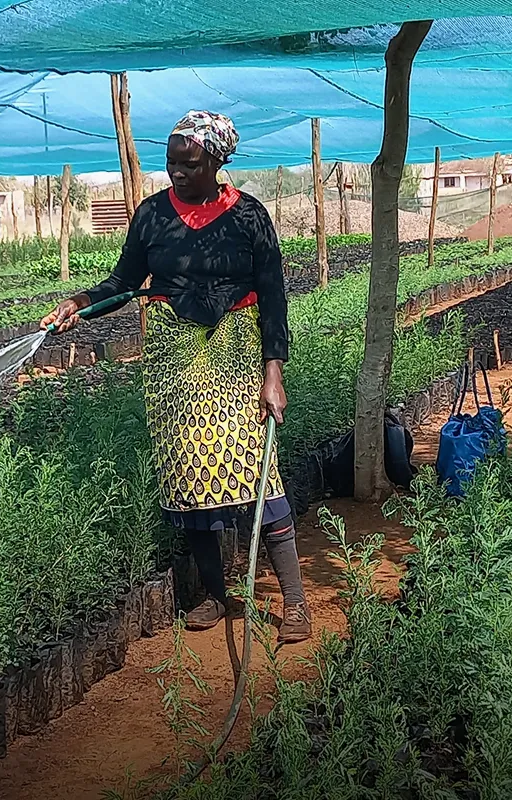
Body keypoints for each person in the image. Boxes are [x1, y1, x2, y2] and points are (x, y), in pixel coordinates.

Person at [42, 110, 311, 642]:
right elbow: (123, 280)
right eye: (170, 163)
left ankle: (296, 604)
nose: (176, 173)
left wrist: (273, 373)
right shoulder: (151, 216)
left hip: (235, 350)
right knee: (189, 476)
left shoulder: (249, 217)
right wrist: (79, 304)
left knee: (258, 474)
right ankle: (215, 595)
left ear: (216, 161)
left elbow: (274, 298)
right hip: (173, 356)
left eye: (188, 164)